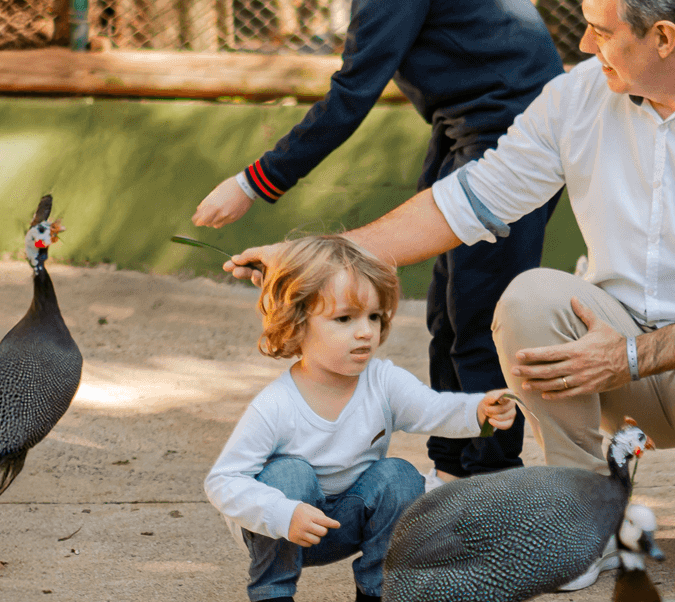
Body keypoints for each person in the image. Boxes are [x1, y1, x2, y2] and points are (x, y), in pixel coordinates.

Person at [228, 0, 675, 589]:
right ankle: (585, 515)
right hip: (609, 347)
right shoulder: (577, 95)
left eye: (600, 30)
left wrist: (635, 356)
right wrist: (319, 254)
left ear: (662, 37)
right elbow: (470, 200)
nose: (584, 45)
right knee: (528, 298)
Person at [193, 0, 563, 483]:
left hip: (511, 146)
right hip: (464, 135)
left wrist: (254, 182)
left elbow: (349, 99)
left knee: (480, 318)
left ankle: (494, 481)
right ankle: (454, 471)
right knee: (447, 314)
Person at [204, 234, 519, 602]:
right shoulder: (276, 405)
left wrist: (479, 410)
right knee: (290, 474)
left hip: (349, 522)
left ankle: (377, 590)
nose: (366, 332)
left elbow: (432, 409)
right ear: (297, 323)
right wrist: (281, 513)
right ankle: (273, 592)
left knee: (400, 476)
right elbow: (223, 481)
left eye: (374, 316)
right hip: (282, 528)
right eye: (344, 318)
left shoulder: (383, 381)